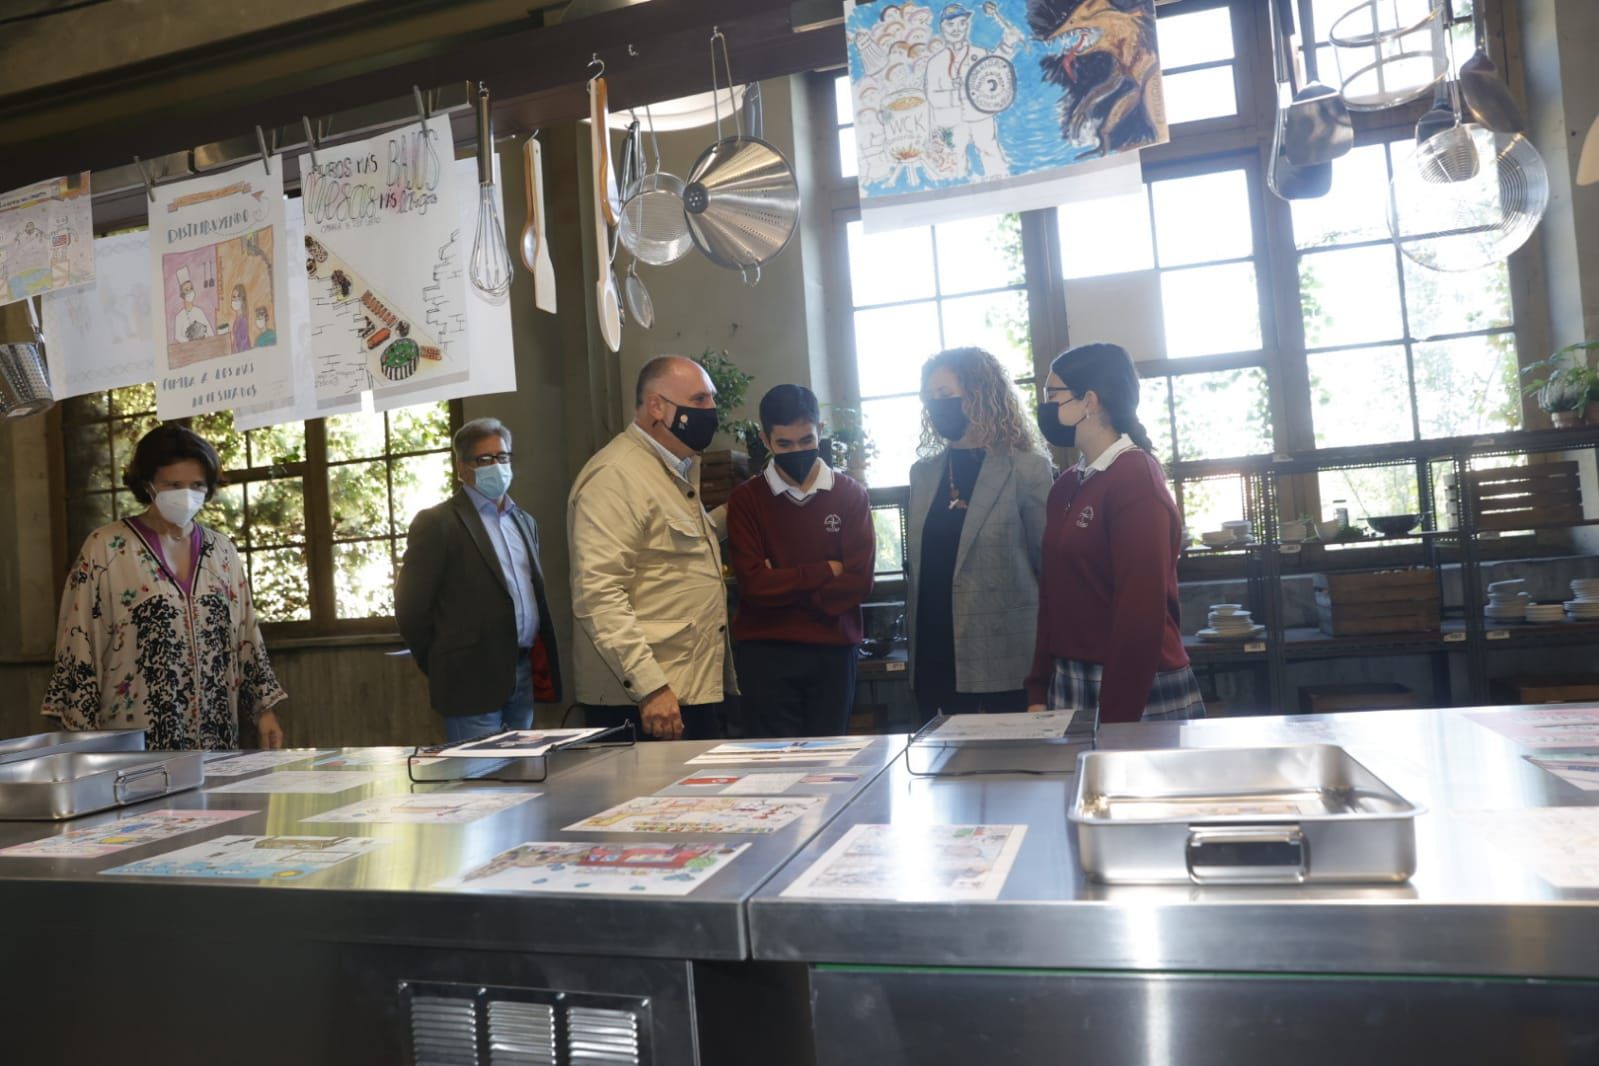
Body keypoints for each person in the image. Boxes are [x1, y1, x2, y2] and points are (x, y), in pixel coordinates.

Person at [42, 424, 286, 750]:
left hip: (216, 737)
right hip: (133, 745)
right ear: (149, 484)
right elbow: (78, 639)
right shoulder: (106, 548)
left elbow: (246, 634)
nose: (186, 495)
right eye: (173, 484)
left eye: (197, 485)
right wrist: (81, 738)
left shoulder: (222, 551)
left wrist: (264, 710)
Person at [1026, 342, 1204, 727]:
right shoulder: (1068, 484)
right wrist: (1038, 687)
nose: (1044, 407)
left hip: (1136, 685)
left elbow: (1141, 610)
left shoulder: (1136, 479)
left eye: (1051, 395)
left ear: (1089, 400)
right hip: (1070, 680)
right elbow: (1052, 595)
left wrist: (1117, 718)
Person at [568, 355, 736, 741]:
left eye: (711, 399)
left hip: (686, 687)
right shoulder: (616, 476)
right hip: (648, 699)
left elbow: (671, 554)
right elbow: (598, 594)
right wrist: (650, 687)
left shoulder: (675, 469)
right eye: (698, 400)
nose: (711, 410)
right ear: (657, 407)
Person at [396, 417, 562, 743]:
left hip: (522, 673)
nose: (496, 466)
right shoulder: (438, 523)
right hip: (468, 681)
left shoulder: (525, 521)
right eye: (484, 460)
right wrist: (443, 662)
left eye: (502, 457)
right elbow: (410, 608)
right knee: (481, 784)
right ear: (462, 468)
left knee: (522, 780)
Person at [907, 347, 1052, 717]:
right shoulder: (923, 474)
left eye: (945, 394)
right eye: (929, 397)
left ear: (980, 393)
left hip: (1004, 659)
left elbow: (1048, 567)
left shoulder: (1026, 469)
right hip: (934, 655)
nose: (936, 405)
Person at [726, 385, 875, 738]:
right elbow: (754, 585)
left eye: (806, 441)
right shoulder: (746, 500)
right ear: (766, 440)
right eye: (785, 444)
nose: (798, 451)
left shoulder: (851, 495)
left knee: (829, 766)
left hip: (834, 654)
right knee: (773, 769)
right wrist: (825, 570)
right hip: (766, 657)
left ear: (820, 431)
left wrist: (780, 582)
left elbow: (858, 580)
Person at [172, 272, 212, 342]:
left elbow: (210, 332)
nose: (190, 291)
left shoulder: (199, 312)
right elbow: (177, 337)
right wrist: (190, 342)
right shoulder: (179, 317)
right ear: (182, 294)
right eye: (186, 290)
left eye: (191, 288)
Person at [228, 284, 251, 353]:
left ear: (242, 299)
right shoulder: (237, 319)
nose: (235, 299)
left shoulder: (243, 320)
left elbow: (243, 342)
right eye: (233, 297)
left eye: (238, 297)